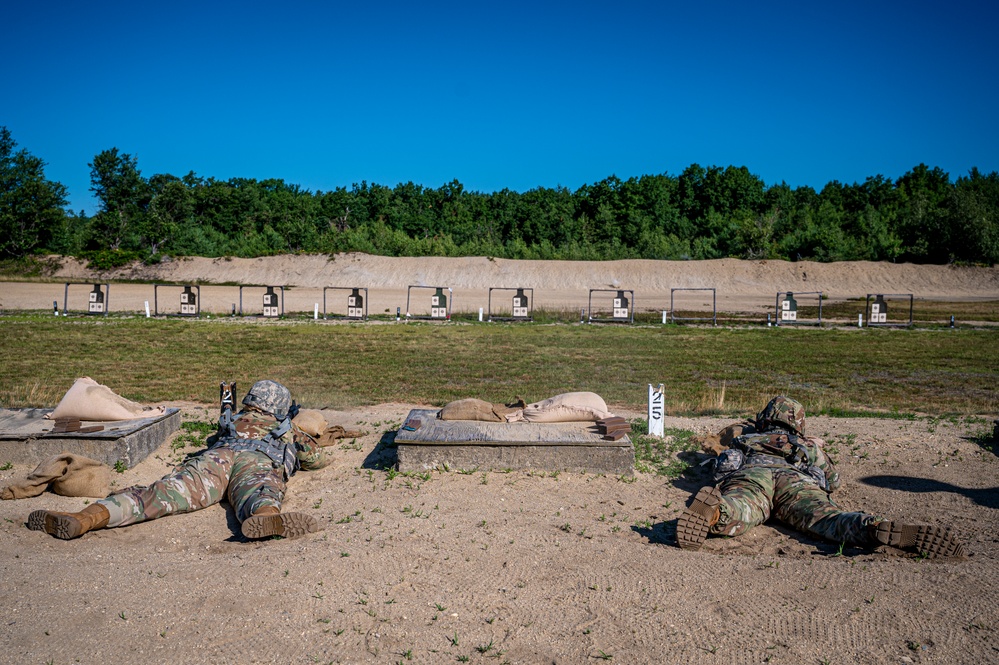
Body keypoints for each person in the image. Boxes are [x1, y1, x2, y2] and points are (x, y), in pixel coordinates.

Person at [29, 380, 332, 541]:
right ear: (280, 408)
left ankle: (84, 519)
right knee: (260, 491)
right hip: (256, 461)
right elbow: (314, 459)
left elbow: (219, 437)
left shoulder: (232, 422)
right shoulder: (287, 429)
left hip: (215, 460)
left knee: (155, 496)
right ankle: (264, 517)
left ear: (249, 401)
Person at [676, 396, 965, 558]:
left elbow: (723, 468)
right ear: (798, 424)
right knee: (829, 520)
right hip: (796, 482)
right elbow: (832, 481)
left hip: (753, 476)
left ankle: (716, 513)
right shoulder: (806, 445)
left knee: (740, 508)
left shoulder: (748, 438)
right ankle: (872, 528)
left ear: (763, 418)